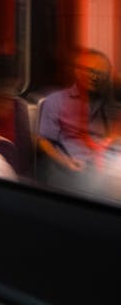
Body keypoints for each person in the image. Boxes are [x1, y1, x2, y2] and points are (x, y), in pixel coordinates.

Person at [36, 47, 121, 198]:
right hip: (71, 167)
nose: (94, 77)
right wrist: (65, 161)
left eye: (101, 74)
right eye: (90, 71)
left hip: (107, 167)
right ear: (77, 71)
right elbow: (43, 140)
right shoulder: (55, 101)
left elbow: (113, 139)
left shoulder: (110, 106)